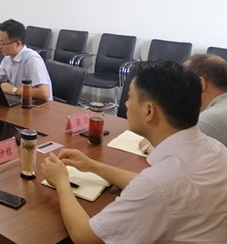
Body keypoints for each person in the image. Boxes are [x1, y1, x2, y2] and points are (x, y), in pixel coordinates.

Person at [41, 60, 227, 243]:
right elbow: (149, 184)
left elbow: (85, 237)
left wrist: (61, 182)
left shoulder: (158, 184)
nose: (127, 104)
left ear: (149, 111)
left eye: (130, 98)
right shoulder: (215, 150)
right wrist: (91, 166)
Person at [140, 53, 227, 152]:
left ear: (200, 84)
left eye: (183, 84)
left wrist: (148, 146)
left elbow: (175, 156)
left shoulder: (207, 122)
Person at [0, 19, 52, 101]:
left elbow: (44, 93)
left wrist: (13, 90)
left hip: (39, 105)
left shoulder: (32, 59)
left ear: (18, 44)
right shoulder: (8, 57)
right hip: (21, 101)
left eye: (3, 43)